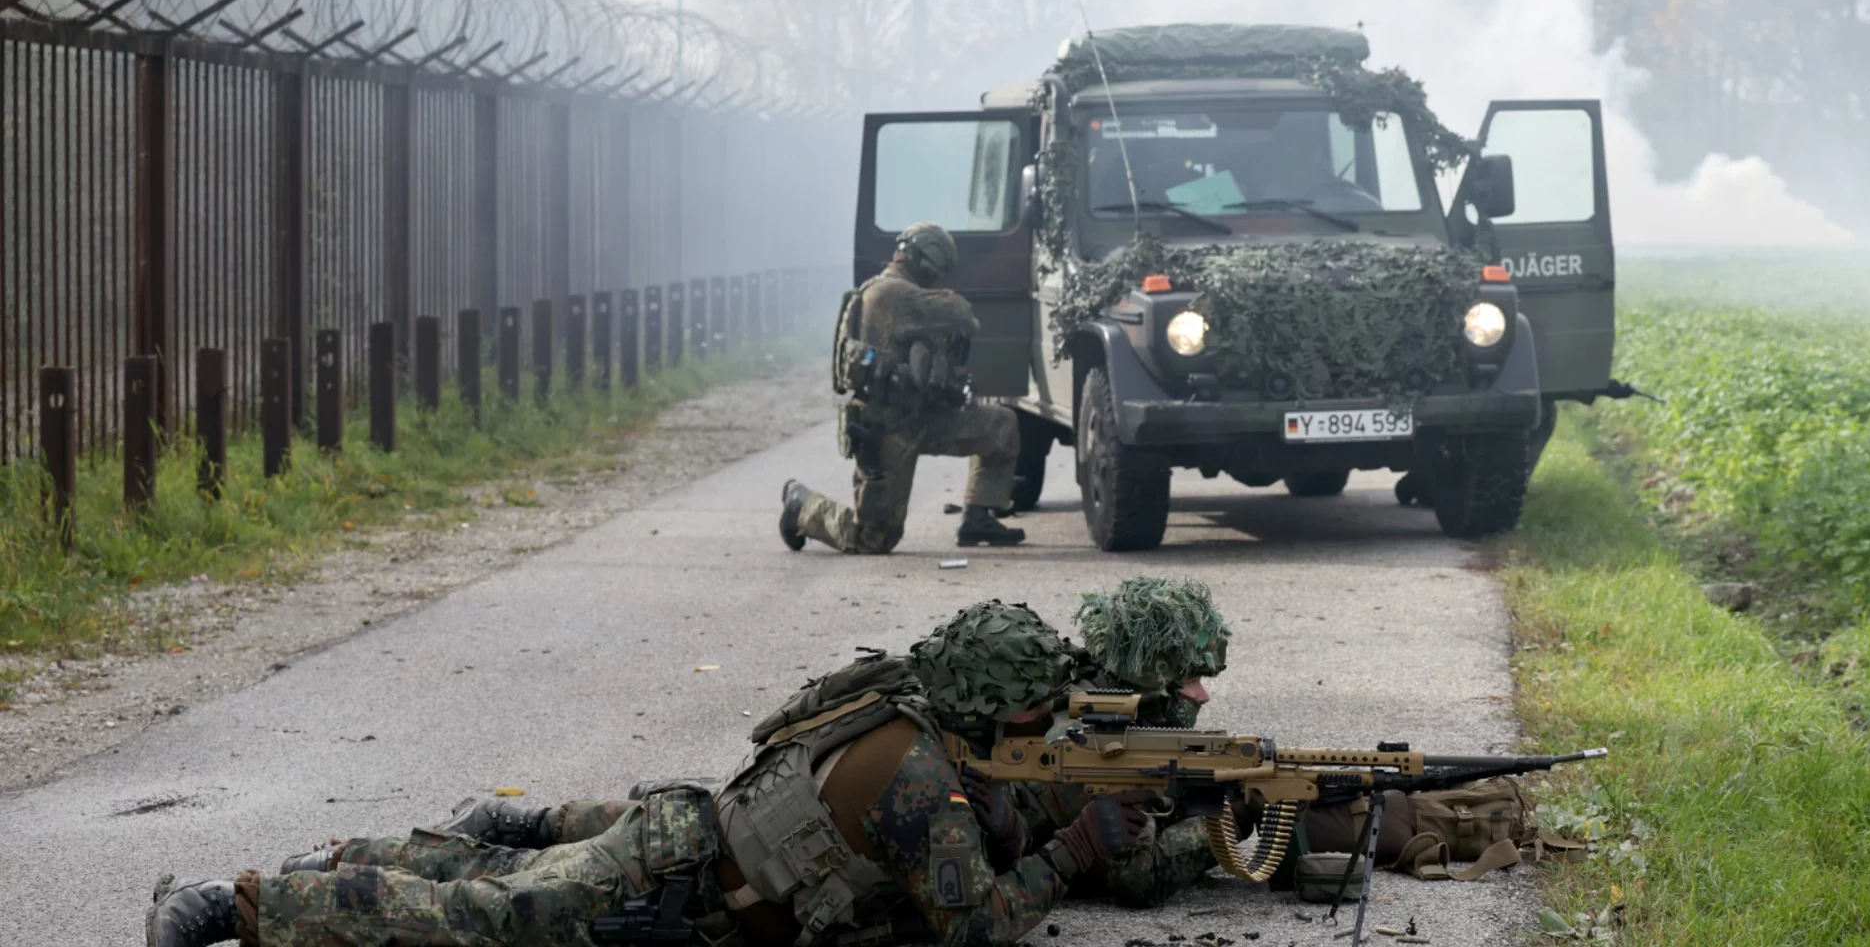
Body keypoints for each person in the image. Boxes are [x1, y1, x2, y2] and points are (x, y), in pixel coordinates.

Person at [145, 601, 1153, 947]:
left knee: (478, 882)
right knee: (471, 919)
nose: (1043, 719)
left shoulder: (912, 699)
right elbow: (972, 928)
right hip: (670, 884)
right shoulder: (920, 782)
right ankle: (235, 907)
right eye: (1032, 706)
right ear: (990, 701)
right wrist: (1071, 850)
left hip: (690, 844)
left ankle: (334, 860)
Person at [780, 222, 1025, 554]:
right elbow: (964, 315)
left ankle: (978, 517)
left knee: (1000, 427)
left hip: (919, 416)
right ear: (924, 259)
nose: (937, 277)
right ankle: (802, 506)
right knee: (872, 538)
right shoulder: (894, 294)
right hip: (887, 431)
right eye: (937, 268)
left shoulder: (885, 289)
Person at [1007, 577, 1235, 908]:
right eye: (1192, 681)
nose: (1203, 696)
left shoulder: (1105, 695)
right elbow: (1139, 877)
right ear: (1153, 678)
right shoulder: (1094, 736)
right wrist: (1230, 822)